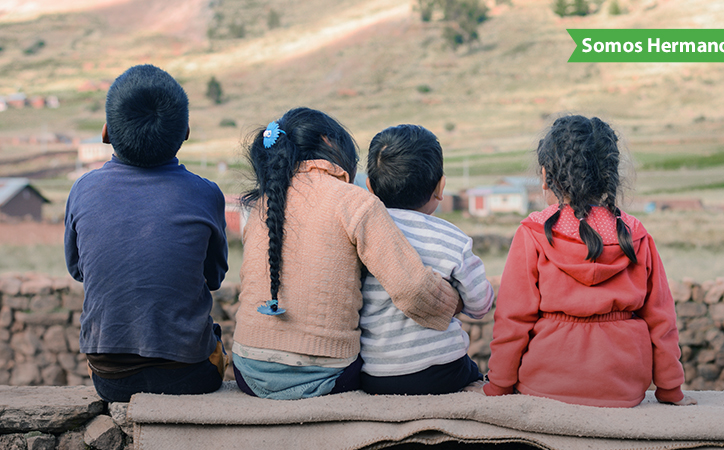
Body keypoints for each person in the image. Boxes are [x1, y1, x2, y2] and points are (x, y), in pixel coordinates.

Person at [232, 108, 461, 400]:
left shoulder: (262, 205)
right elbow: (412, 288)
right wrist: (454, 302)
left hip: (247, 371)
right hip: (326, 377)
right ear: (329, 142)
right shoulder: (355, 202)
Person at [483, 115, 696, 407]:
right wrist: (670, 389)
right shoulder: (635, 234)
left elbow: (512, 319)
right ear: (610, 174)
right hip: (624, 389)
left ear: (546, 175)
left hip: (544, 383)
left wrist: (499, 386)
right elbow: (662, 321)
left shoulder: (532, 232)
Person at [64, 64, 229, 403]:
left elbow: (79, 270)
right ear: (185, 132)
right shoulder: (205, 193)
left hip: (110, 378)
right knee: (216, 339)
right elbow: (214, 277)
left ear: (106, 132)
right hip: (191, 375)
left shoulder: (83, 190)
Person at [359, 124, 494, 395]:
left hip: (374, 374)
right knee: (477, 376)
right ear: (440, 186)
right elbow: (481, 306)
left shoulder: (360, 234)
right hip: (442, 372)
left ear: (370, 187)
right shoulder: (451, 238)